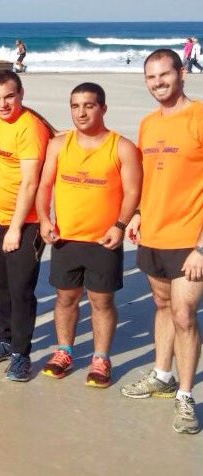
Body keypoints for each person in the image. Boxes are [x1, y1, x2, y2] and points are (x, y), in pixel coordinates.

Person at [36, 82, 142, 388]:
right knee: (65, 298)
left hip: (103, 240)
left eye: (89, 105)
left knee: (101, 301)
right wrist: (44, 219)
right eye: (75, 106)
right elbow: (45, 185)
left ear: (103, 108)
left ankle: (100, 358)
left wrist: (119, 225)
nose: (81, 112)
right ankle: (64, 352)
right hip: (66, 237)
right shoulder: (59, 145)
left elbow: (133, 192)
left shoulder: (122, 147)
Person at [120, 49, 203, 435]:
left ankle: (185, 395)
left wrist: (201, 246)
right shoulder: (148, 123)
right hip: (153, 234)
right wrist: (138, 214)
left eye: (164, 75)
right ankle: (162, 375)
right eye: (151, 77)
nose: (158, 83)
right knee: (162, 305)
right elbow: (150, 176)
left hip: (190, 239)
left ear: (181, 73)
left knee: (184, 315)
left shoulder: (199, 116)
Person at [0, 70, 50, 381]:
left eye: (9, 96)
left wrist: (15, 228)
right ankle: (5, 340)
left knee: (21, 290)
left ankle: (21, 354)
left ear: (21, 94)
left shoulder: (30, 128)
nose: (3, 104)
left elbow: (30, 183)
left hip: (25, 224)